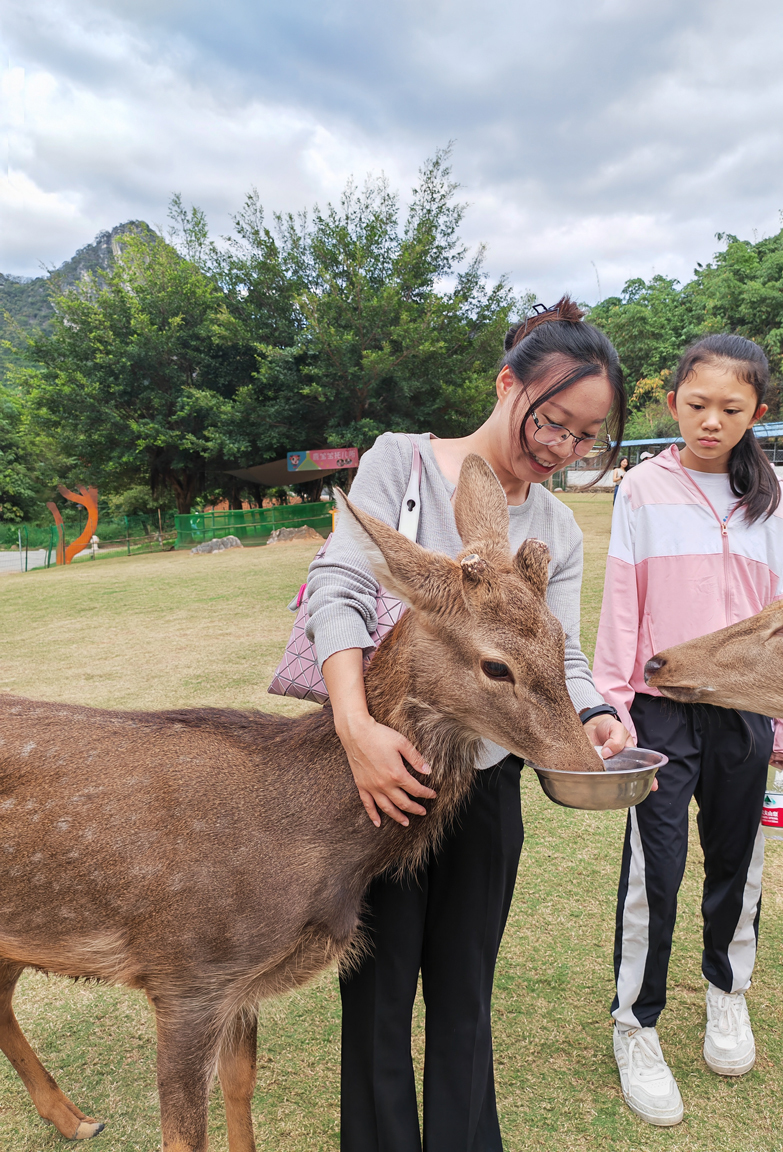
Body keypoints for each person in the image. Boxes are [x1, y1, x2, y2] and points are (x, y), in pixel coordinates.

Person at [306, 297, 634, 1152]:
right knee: (377, 999)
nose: (562, 449)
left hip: (485, 786)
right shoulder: (403, 465)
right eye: (554, 421)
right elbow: (338, 587)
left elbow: (556, 657)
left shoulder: (555, 525)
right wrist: (355, 732)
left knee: (465, 997)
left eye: (584, 437)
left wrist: (593, 716)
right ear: (507, 384)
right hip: (382, 776)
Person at [593, 334, 783, 1127]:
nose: (711, 422)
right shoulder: (643, 490)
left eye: (730, 408)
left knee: (738, 862)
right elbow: (624, 601)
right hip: (661, 707)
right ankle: (635, 1025)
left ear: (758, 411)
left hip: (746, 712)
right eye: (696, 405)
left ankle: (727, 995)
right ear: (673, 402)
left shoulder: (773, 495)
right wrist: (613, 702)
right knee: (656, 868)